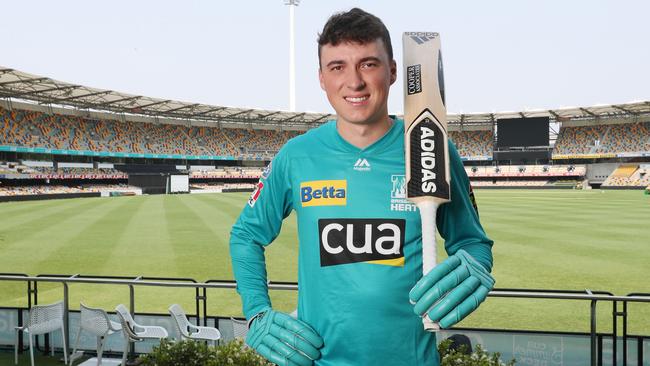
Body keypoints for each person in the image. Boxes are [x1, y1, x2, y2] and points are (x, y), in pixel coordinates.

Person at [230, 8, 494, 366]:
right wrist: (257, 312)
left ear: (394, 70)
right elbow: (246, 235)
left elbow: (471, 240)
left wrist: (474, 264)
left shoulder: (431, 147)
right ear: (321, 78)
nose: (353, 81)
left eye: (368, 64)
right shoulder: (296, 156)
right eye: (337, 67)